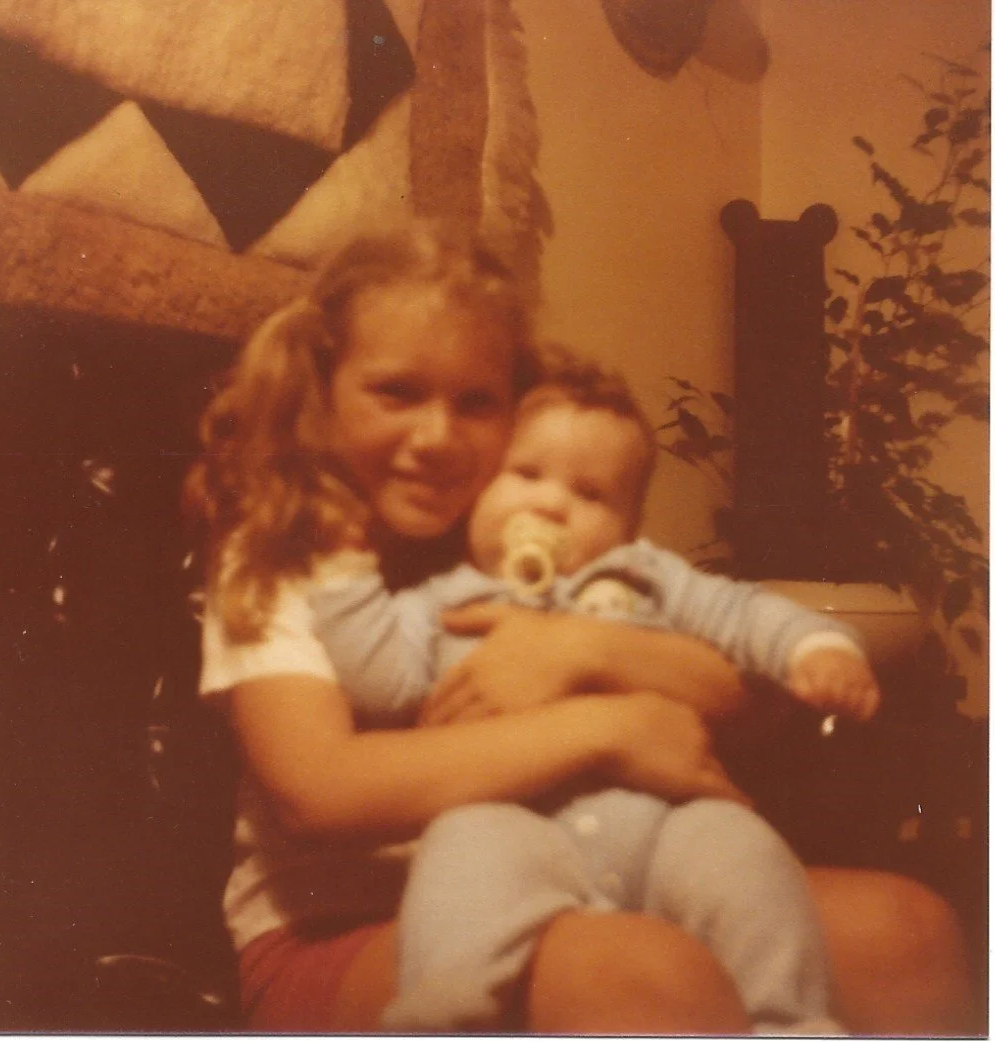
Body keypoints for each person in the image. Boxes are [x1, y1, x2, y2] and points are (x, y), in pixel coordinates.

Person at [184, 220, 973, 1034]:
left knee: (903, 934)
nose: (438, 437)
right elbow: (322, 791)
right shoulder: (280, 542)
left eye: (476, 402)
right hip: (343, 924)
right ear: (323, 388)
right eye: (396, 392)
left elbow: (753, 705)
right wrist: (606, 724)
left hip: (593, 860)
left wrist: (581, 649)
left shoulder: (519, 507)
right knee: (645, 978)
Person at [305, 353, 878, 1033]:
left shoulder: (645, 573)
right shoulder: (445, 600)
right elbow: (374, 672)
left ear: (628, 524)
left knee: (745, 852)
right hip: (515, 821)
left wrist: (817, 649)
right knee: (461, 849)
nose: (551, 503)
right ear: (480, 492)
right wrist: (339, 565)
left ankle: (792, 1017)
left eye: (590, 494)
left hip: (665, 824)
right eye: (525, 475)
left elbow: (742, 615)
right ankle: (447, 1006)